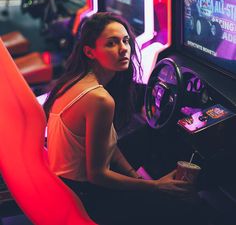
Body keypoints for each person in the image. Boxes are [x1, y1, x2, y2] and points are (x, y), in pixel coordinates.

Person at [45, 12, 208, 225]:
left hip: (66, 186)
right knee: (187, 208)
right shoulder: (99, 99)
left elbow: (109, 146)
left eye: (125, 41)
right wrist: (156, 186)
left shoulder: (74, 81)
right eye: (111, 43)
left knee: (144, 139)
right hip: (85, 198)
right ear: (90, 52)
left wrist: (136, 177)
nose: (123, 49)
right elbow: (97, 175)